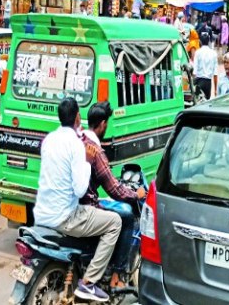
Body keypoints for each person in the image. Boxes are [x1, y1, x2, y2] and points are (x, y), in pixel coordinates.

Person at [33, 98, 121, 303]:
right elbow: (80, 189)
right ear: (78, 117)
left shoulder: (49, 139)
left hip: (41, 214)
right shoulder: (76, 145)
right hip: (66, 216)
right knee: (115, 222)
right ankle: (89, 283)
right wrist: (88, 162)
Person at [80, 102, 146, 289]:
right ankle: (117, 274)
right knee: (126, 217)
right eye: (106, 124)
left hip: (69, 204)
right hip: (85, 208)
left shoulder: (77, 140)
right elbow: (115, 191)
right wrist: (136, 195)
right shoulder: (96, 151)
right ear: (102, 124)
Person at [193, 32, 218, 99]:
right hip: (208, 83)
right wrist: (215, 89)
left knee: (197, 101)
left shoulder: (197, 52)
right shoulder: (213, 53)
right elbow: (215, 73)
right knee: (206, 101)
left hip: (199, 81)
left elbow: (194, 72)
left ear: (200, 41)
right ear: (209, 41)